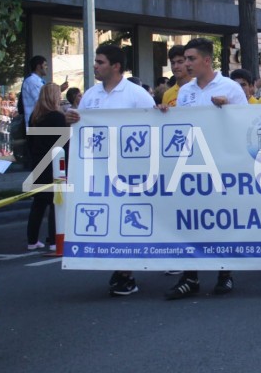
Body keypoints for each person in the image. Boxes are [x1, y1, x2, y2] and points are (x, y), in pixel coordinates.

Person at [65, 45, 156, 296]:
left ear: (116, 66)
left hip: (131, 169)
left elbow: (155, 126)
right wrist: (71, 119)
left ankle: (126, 272)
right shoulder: (91, 95)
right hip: (100, 169)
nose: (95, 66)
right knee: (112, 218)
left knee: (129, 218)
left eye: (100, 62)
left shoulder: (137, 95)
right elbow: (82, 127)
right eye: (95, 61)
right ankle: (121, 268)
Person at [165, 37, 247, 299]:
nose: (186, 64)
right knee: (190, 220)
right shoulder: (185, 91)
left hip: (222, 165)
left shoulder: (230, 88)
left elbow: (245, 124)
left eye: (191, 59)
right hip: (191, 165)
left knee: (221, 219)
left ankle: (225, 273)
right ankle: (190, 277)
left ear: (207, 60)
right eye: (185, 59)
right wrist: (163, 114)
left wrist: (228, 109)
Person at [26, 83, 68, 251]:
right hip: (54, 164)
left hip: (38, 163)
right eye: (58, 94)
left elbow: (30, 142)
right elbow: (65, 143)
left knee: (38, 203)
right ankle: (54, 240)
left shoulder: (34, 117)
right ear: (54, 97)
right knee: (55, 203)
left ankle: (32, 240)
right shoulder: (58, 117)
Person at [21, 56, 68, 129]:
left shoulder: (39, 81)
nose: (47, 68)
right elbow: (43, 100)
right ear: (39, 67)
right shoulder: (32, 81)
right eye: (45, 65)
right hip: (37, 124)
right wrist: (58, 89)